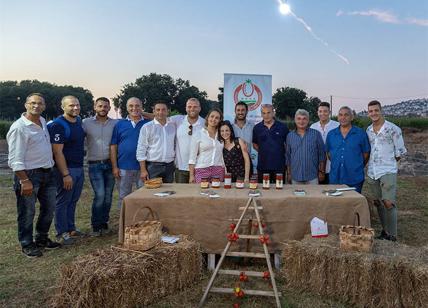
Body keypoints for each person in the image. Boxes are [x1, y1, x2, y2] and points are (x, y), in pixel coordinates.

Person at [7, 93, 61, 257]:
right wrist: (24, 180)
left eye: (39, 103)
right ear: (26, 105)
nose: (36, 106)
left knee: (49, 208)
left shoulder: (43, 122)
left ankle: (42, 239)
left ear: (44, 106)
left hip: (48, 172)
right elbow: (15, 159)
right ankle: (26, 243)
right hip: (29, 175)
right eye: (32, 103)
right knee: (27, 211)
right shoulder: (19, 127)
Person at [366, 100, 407, 242]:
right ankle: (384, 231)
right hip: (372, 171)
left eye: (376, 110)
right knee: (378, 202)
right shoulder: (368, 130)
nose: (373, 113)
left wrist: (389, 166)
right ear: (368, 113)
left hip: (387, 170)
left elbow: (400, 152)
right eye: (371, 111)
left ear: (381, 110)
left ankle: (392, 235)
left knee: (388, 202)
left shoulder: (393, 129)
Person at [48, 95, 86, 245]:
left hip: (78, 167)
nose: (75, 108)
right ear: (63, 107)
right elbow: (57, 152)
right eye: (71, 105)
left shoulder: (78, 121)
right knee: (63, 201)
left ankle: (71, 229)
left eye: (77, 105)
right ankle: (61, 232)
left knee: (73, 200)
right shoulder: (58, 125)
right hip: (66, 170)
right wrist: (65, 174)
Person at [82, 97, 118, 237]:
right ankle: (96, 225)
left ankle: (104, 223)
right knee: (100, 195)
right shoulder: (86, 123)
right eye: (100, 106)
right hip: (95, 164)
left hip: (110, 163)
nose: (103, 108)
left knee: (108, 196)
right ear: (95, 107)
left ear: (109, 108)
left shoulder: (115, 123)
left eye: (105, 106)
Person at [110, 97, 150, 208]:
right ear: (127, 108)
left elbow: (160, 116)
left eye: (137, 106)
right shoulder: (119, 124)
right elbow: (113, 146)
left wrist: (143, 113)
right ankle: (124, 223)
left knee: (144, 196)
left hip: (143, 167)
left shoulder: (148, 123)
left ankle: (143, 222)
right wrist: (114, 167)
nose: (134, 108)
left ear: (142, 107)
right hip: (123, 166)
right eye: (131, 106)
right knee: (124, 196)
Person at [326, 106, 370, 193]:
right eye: (340, 115)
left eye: (346, 115)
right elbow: (329, 154)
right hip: (335, 178)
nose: (343, 117)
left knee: (353, 204)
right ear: (337, 117)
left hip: (354, 178)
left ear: (352, 117)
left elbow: (366, 154)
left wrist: (356, 166)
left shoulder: (360, 133)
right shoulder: (331, 134)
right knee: (335, 204)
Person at [137, 101, 176, 183]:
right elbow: (141, 148)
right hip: (153, 167)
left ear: (168, 111)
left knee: (168, 193)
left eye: (163, 110)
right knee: (152, 194)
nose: (160, 112)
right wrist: (143, 170)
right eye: (158, 110)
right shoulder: (147, 127)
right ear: (153, 111)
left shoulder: (172, 126)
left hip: (169, 166)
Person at [286, 109, 326, 184]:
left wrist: (322, 171)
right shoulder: (290, 136)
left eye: (304, 119)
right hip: (295, 177)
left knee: (313, 196)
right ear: (295, 120)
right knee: (295, 196)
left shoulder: (316, 134)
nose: (301, 121)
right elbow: (288, 157)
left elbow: (322, 155)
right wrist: (289, 173)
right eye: (299, 119)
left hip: (312, 177)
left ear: (308, 120)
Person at [170, 98, 205, 183]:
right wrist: (140, 113)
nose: (192, 109)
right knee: (181, 195)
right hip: (181, 168)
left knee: (198, 194)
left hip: (199, 167)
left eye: (195, 107)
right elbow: (160, 117)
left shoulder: (205, 123)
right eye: (189, 106)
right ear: (186, 108)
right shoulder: (178, 120)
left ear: (200, 108)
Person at [252, 104, 289, 183]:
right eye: (264, 113)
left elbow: (287, 145)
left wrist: (277, 151)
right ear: (261, 114)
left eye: (268, 112)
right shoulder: (257, 128)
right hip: (263, 166)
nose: (266, 115)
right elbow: (254, 144)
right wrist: (264, 151)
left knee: (279, 190)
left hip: (279, 166)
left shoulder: (283, 127)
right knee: (264, 191)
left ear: (273, 113)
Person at [189, 109, 225, 183]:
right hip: (201, 170)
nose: (214, 119)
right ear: (207, 118)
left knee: (218, 193)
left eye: (217, 118)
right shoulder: (198, 134)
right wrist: (191, 175)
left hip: (218, 170)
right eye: (212, 116)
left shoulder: (222, 134)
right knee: (201, 193)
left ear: (219, 120)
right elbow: (192, 157)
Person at [310, 102, 339, 184]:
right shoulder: (313, 127)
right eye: (320, 111)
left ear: (329, 112)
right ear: (317, 112)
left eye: (325, 111)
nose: (322, 113)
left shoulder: (337, 126)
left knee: (332, 192)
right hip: (317, 167)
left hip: (333, 166)